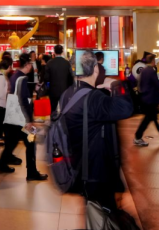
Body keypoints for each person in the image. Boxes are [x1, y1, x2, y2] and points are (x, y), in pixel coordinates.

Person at [60, 50, 133, 212]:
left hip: (78, 164)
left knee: (94, 212)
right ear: (95, 69)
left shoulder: (68, 94)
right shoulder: (93, 97)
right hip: (96, 170)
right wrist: (115, 84)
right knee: (104, 214)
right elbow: (125, 108)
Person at [0, 53, 48, 181]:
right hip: (22, 120)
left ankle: (2, 164)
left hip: (12, 118)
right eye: (31, 64)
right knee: (31, 142)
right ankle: (32, 173)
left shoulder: (15, 75)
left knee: (11, 142)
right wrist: (29, 120)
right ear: (28, 65)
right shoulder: (22, 78)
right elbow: (23, 100)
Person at [44, 44, 74, 114]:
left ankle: (53, 119)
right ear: (62, 51)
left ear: (54, 51)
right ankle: (63, 120)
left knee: (53, 108)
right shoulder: (66, 63)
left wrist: (48, 87)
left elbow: (46, 78)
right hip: (65, 90)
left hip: (53, 90)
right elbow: (71, 77)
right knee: (64, 108)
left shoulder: (49, 63)